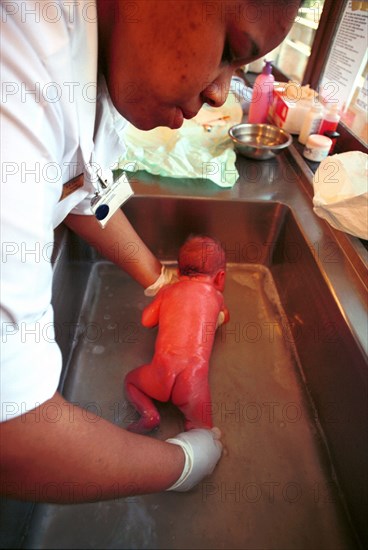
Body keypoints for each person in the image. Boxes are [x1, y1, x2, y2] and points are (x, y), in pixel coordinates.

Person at [1, 0, 302, 502]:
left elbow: (81, 188)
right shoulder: (19, 73)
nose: (220, 92)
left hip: (154, 375)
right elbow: (14, 434)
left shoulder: (102, 62)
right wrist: (183, 463)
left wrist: (158, 280)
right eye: (229, 50)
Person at [125, 235, 230, 433]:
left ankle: (149, 415)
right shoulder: (217, 297)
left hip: (160, 374)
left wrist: (163, 303)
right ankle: (195, 442)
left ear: (178, 271)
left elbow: (147, 321)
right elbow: (226, 316)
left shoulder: (167, 291)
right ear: (220, 277)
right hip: (192, 383)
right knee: (203, 431)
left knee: (131, 381)